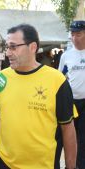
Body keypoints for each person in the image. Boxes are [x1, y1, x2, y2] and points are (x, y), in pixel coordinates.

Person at [0, 24, 77, 169]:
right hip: (5, 163)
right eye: (7, 47)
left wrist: (71, 166)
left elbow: (68, 127)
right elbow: (0, 116)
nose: (8, 53)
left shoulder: (57, 80)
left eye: (13, 47)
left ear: (32, 47)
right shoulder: (0, 79)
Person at [58, 20, 85, 169]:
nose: (75, 38)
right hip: (71, 102)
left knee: (83, 138)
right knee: (68, 135)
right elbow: (60, 78)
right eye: (72, 34)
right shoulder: (66, 56)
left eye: (79, 34)